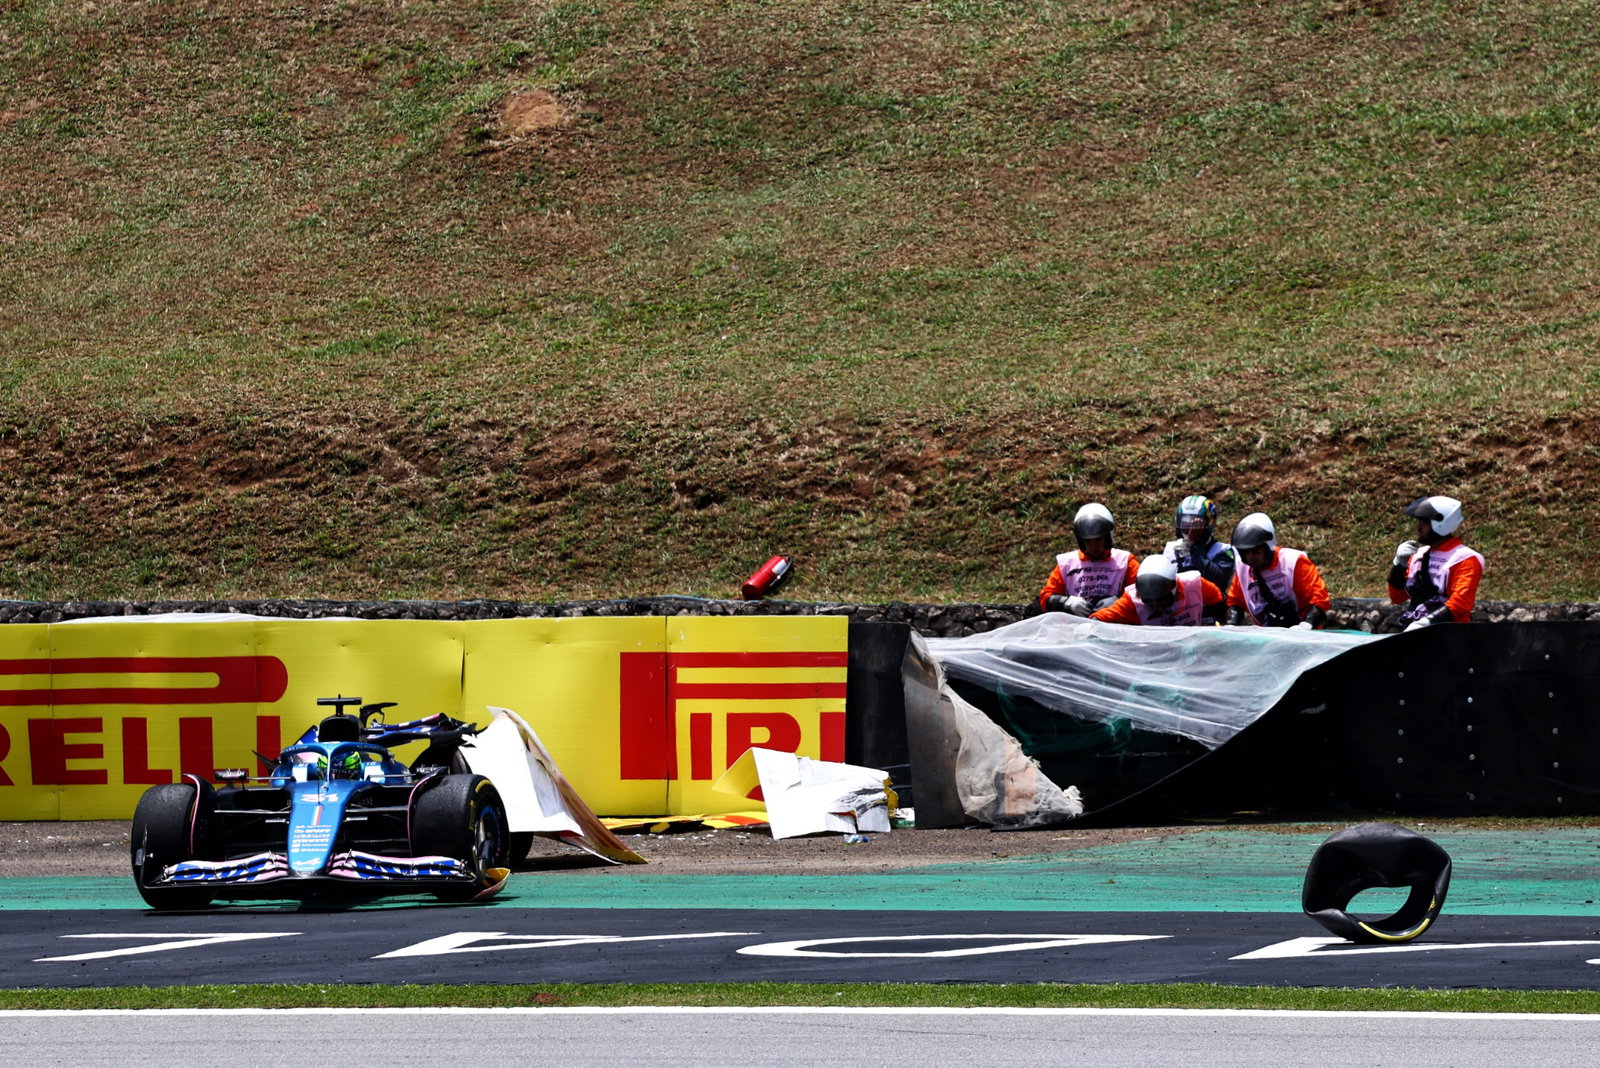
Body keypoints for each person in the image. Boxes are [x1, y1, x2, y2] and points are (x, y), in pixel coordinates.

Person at [1386, 495, 1485, 631]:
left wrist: (1426, 623)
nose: (1418, 528)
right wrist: (1398, 565)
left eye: (1424, 523)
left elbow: (1461, 603)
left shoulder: (1466, 558)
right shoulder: (1418, 555)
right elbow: (1397, 597)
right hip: (1413, 632)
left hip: (1450, 637)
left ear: (1441, 524)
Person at [1224, 512, 1331, 629]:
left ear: (1267, 546)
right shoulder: (1242, 572)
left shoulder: (1294, 562)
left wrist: (1306, 625)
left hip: (1302, 631)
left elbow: (1319, 599)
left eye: (1256, 551)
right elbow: (1234, 602)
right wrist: (1231, 625)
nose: (1250, 557)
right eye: (1245, 552)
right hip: (1268, 636)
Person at [1038, 502, 1139, 616]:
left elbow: (1141, 595)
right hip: (1075, 628)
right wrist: (1067, 603)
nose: (1093, 547)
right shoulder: (1066, 564)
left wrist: (1119, 602)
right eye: (1088, 541)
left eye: (1098, 540)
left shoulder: (1125, 562)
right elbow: (1045, 598)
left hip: (1114, 626)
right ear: (1081, 540)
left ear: (1107, 537)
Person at [1091, 554, 1225, 626]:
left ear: (1172, 587)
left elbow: (1220, 601)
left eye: (1160, 599)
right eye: (1149, 600)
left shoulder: (1194, 585)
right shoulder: (1133, 600)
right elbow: (1100, 618)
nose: (1155, 605)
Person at [1162, 494, 1235, 619]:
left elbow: (1216, 579)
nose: (1190, 531)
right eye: (1185, 525)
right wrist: (1186, 546)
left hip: (1212, 616)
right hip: (1179, 616)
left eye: (1195, 526)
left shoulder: (1224, 551)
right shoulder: (1171, 549)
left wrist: (1194, 547)